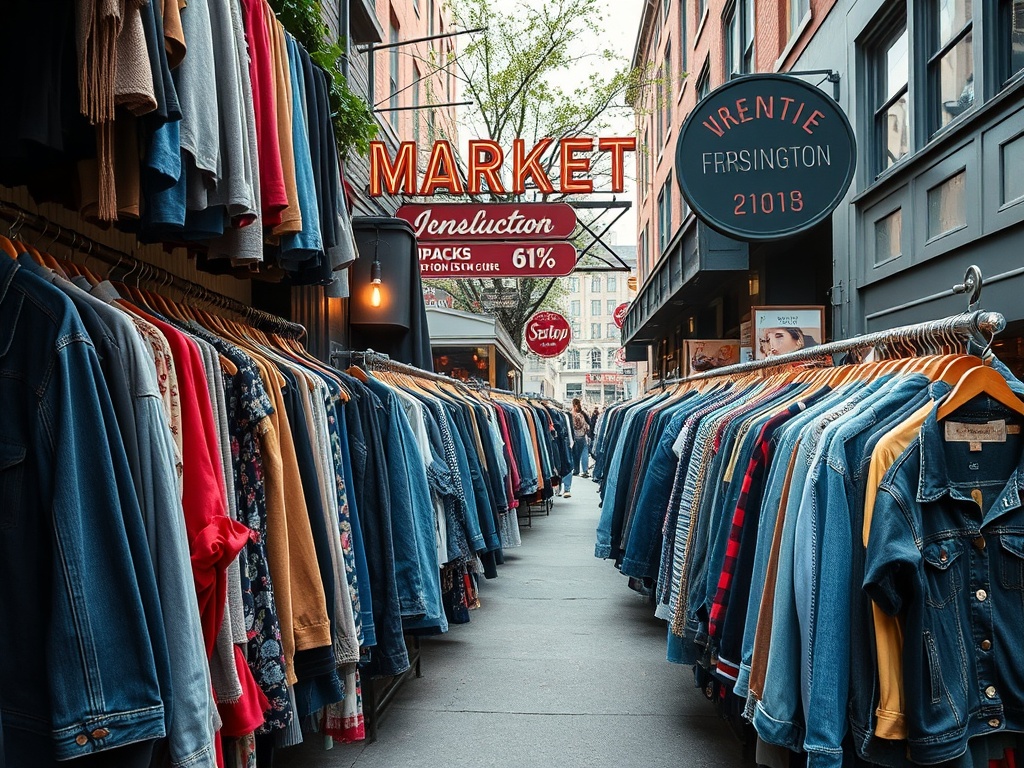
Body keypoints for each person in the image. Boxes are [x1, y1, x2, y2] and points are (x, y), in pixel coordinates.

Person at [571, 398, 589, 477]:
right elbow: (588, 424)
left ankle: (576, 470)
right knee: (584, 453)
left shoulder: (572, 414)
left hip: (575, 437)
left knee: (576, 454)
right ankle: (585, 470)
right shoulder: (582, 413)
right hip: (582, 436)